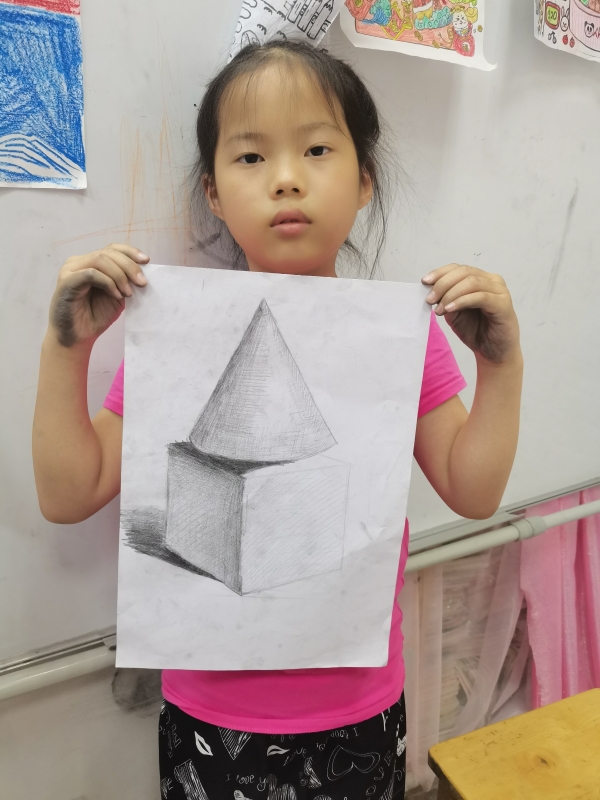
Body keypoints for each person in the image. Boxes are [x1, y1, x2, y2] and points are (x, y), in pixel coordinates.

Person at [32, 40, 522, 800]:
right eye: (251, 157)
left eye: (317, 149)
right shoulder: (178, 337)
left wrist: (501, 365)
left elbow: (474, 490)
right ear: (214, 191)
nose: (286, 177)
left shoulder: (403, 337)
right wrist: (68, 348)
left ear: (364, 179)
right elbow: (70, 494)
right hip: (208, 714)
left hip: (360, 709)